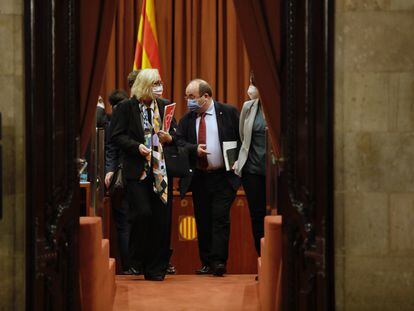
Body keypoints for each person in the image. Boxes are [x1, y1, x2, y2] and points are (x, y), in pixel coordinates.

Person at [110, 68, 176, 281]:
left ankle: (156, 268)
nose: (159, 87)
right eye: (155, 83)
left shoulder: (166, 106)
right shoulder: (126, 108)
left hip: (160, 171)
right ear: (145, 86)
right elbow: (117, 136)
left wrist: (169, 138)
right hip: (137, 170)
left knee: (160, 220)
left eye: (161, 83)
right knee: (143, 214)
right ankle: (138, 258)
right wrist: (136, 146)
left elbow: (174, 134)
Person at [175, 79, 241, 276]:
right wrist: (194, 149)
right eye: (187, 97)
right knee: (203, 220)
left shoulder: (228, 112)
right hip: (199, 178)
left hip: (224, 177)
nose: (188, 101)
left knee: (220, 218)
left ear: (206, 96)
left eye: (192, 97)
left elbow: (241, 138)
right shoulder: (187, 120)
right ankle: (206, 262)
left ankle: (219, 262)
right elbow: (178, 142)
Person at [234, 73, 267, 256]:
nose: (252, 87)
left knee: (275, 217)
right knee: (257, 216)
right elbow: (242, 136)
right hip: (252, 170)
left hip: (274, 171)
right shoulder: (248, 107)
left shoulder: (279, 106)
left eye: (254, 83)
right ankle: (262, 259)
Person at [104, 89, 130, 273]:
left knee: (124, 224)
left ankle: (130, 266)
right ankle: (134, 265)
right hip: (127, 177)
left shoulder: (112, 121)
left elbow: (109, 149)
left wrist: (109, 169)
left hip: (120, 176)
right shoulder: (132, 116)